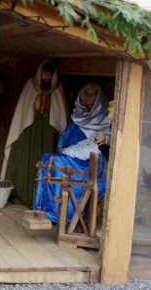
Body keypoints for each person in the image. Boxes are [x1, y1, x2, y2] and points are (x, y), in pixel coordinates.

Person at [32, 82, 111, 223]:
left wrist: (68, 151)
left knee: (56, 161)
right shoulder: (78, 117)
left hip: (88, 162)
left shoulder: (105, 120)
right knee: (47, 158)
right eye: (86, 94)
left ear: (98, 97)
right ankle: (43, 209)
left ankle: (58, 214)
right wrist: (62, 149)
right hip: (72, 156)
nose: (89, 97)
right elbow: (66, 137)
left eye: (93, 94)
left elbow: (95, 146)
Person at [2, 61, 68, 205]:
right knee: (25, 160)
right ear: (39, 72)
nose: (47, 77)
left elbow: (61, 118)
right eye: (44, 73)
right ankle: (21, 194)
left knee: (44, 162)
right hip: (28, 132)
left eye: (50, 74)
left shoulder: (57, 90)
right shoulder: (30, 86)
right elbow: (22, 113)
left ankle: (40, 199)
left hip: (47, 135)